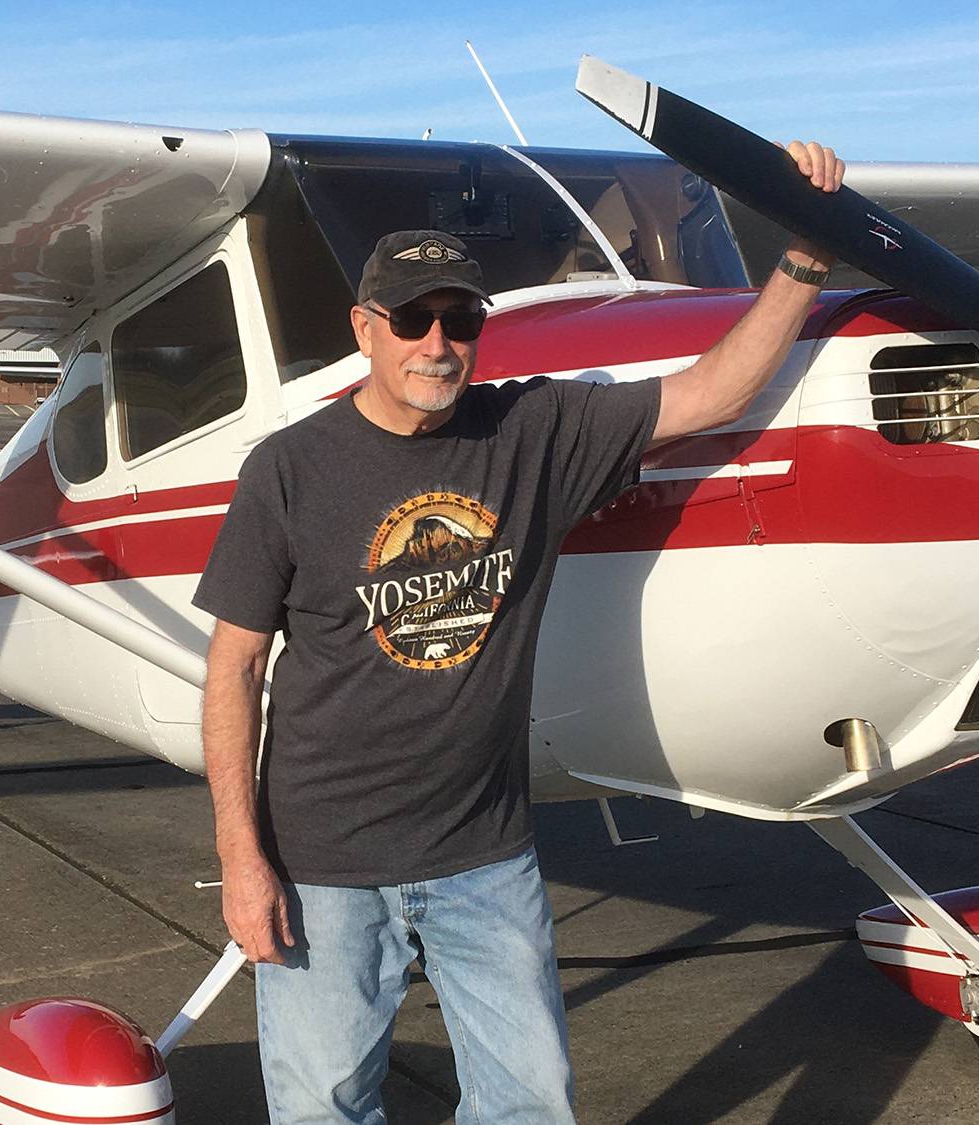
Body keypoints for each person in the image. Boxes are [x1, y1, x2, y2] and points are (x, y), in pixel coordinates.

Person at [193, 143, 844, 1124]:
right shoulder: (287, 471)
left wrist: (803, 254)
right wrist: (244, 864)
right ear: (364, 329)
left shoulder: (530, 433)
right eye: (411, 321)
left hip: (481, 853)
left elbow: (710, 392)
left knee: (532, 1103)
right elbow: (234, 669)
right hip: (322, 857)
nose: (437, 343)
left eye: (460, 320)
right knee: (320, 1106)